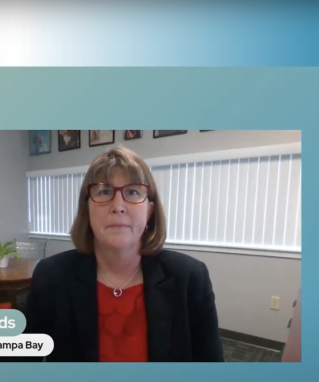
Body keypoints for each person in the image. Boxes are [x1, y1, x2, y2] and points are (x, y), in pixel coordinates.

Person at [13, 147, 223, 362]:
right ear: (87, 209)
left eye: (132, 192)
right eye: (104, 191)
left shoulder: (190, 277)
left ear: (149, 211)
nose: (118, 206)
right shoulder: (52, 276)